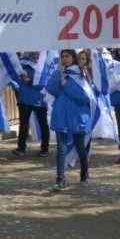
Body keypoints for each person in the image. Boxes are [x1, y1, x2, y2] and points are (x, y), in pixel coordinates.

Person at [47, 49, 94, 190]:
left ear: (73, 58)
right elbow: (51, 89)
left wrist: (66, 84)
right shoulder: (61, 73)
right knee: (61, 149)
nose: (64, 59)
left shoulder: (81, 75)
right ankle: (60, 178)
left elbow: (83, 97)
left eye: (67, 56)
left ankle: (84, 174)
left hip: (77, 117)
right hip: (61, 116)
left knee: (80, 148)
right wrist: (57, 73)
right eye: (62, 56)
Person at [10, 51, 50, 157]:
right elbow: (13, 76)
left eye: (38, 53)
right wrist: (17, 88)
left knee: (43, 124)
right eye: (34, 53)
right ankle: (21, 148)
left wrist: (30, 80)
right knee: (23, 124)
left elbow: (48, 80)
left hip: (40, 99)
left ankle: (45, 148)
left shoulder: (46, 62)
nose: (36, 55)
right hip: (25, 98)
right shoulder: (22, 62)